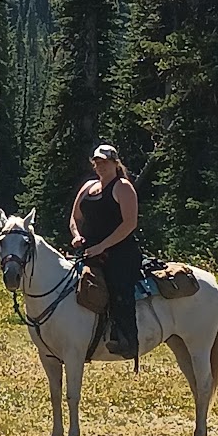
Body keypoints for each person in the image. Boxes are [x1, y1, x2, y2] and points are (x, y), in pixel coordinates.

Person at [70, 142, 142, 360]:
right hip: (89, 249)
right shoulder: (88, 187)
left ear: (115, 163)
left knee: (118, 286)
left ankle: (127, 338)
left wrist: (103, 246)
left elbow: (129, 224)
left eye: (105, 162)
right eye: (97, 162)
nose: (100, 166)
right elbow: (75, 217)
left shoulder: (122, 187)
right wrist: (76, 236)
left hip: (120, 251)